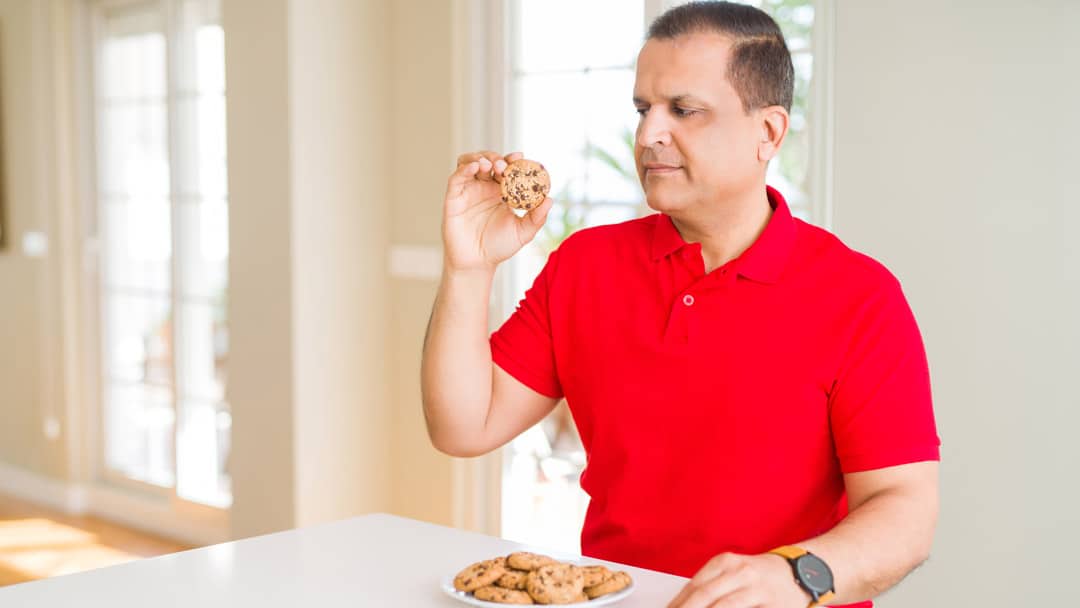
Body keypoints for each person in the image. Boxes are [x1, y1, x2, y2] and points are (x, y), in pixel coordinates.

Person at [421, 2, 940, 607]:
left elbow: (905, 510)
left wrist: (794, 576)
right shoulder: (585, 265)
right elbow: (463, 426)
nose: (648, 136)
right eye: (643, 109)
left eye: (684, 110)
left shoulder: (860, 296)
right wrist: (469, 267)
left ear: (769, 133)